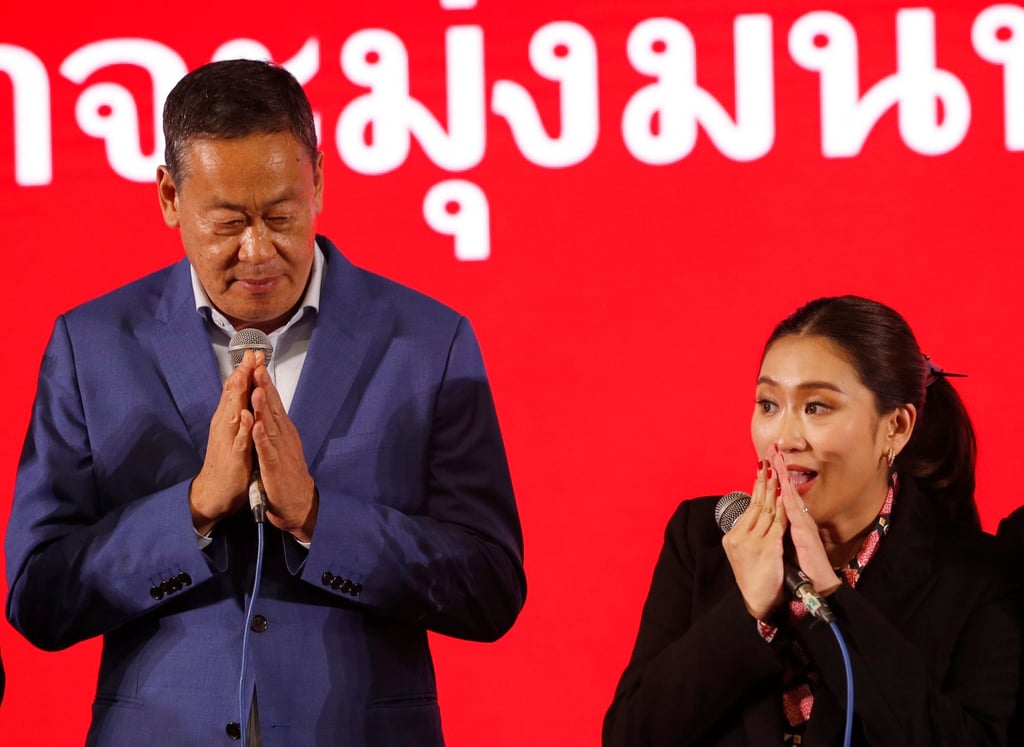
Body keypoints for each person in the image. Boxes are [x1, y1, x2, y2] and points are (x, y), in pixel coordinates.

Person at [5, 59, 525, 745]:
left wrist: (316, 515)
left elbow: (489, 588)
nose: (258, 250)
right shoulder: (91, 344)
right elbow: (38, 597)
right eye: (227, 222)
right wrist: (191, 509)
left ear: (318, 182)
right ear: (168, 197)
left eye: (281, 214)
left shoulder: (428, 342)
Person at [603, 295, 1019, 746]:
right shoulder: (704, 537)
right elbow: (630, 735)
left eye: (816, 407)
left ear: (896, 427)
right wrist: (749, 612)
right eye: (768, 404)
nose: (782, 437)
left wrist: (829, 598)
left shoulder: (981, 577)